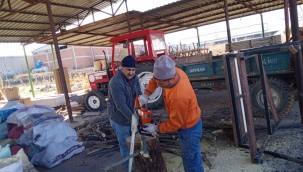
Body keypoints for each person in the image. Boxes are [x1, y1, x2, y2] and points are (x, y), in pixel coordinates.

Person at [139, 55, 204, 172]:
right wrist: (146, 94)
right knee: (192, 157)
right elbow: (155, 80)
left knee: (191, 162)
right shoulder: (174, 72)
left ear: (169, 80)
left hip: (189, 128)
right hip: (189, 121)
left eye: (160, 84)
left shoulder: (179, 96)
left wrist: (156, 128)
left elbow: (176, 123)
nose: (157, 85)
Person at [107, 55, 142, 171]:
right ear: (122, 68)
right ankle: (129, 169)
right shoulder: (115, 82)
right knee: (125, 146)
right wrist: (134, 118)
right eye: (128, 69)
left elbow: (139, 95)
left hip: (132, 115)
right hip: (119, 119)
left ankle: (137, 165)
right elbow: (120, 105)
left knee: (135, 143)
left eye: (133, 70)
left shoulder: (135, 78)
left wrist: (142, 109)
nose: (131, 73)